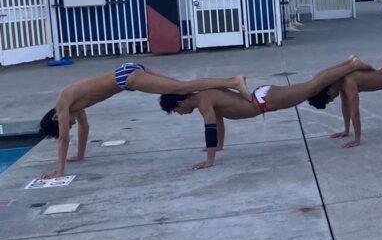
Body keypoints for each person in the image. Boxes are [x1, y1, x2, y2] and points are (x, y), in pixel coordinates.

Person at [38, 65, 250, 178]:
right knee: (181, 87)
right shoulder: (74, 105)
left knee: (183, 88)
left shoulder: (63, 101)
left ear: (57, 118)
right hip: (127, 72)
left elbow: (63, 138)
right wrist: (79, 156)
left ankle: (233, 81)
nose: (72, 124)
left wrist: (60, 171)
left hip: (127, 77)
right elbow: (85, 128)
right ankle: (229, 85)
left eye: (68, 123)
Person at [159, 58, 372, 169]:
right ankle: (348, 63)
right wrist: (219, 147)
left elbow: (211, 130)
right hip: (262, 96)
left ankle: (351, 65)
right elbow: (220, 124)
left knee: (314, 85)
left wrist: (209, 161)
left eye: (176, 111)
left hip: (266, 100)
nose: (179, 114)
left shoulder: (204, 102)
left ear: (179, 102)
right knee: (311, 85)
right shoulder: (205, 98)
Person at [307, 54, 382, 147]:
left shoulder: (348, 83)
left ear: (328, 92)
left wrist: (357, 139)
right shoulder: (341, 83)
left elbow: (355, 113)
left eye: (330, 100)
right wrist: (346, 130)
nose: (333, 99)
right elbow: (346, 107)